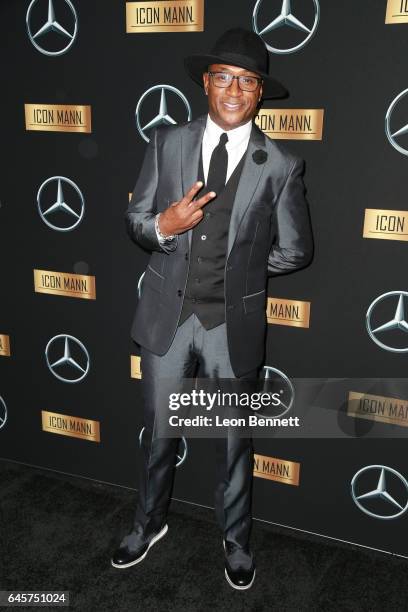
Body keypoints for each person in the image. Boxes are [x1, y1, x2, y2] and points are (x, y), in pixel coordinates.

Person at [111, 27, 313, 590]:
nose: (233, 89)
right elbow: (136, 220)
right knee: (157, 434)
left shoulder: (280, 165)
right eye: (223, 77)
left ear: (259, 93)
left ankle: (236, 541)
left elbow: (296, 250)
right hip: (167, 321)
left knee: (232, 443)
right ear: (206, 83)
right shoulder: (167, 142)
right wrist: (162, 228)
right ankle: (148, 524)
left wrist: (240, 270)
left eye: (247, 81)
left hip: (231, 327)